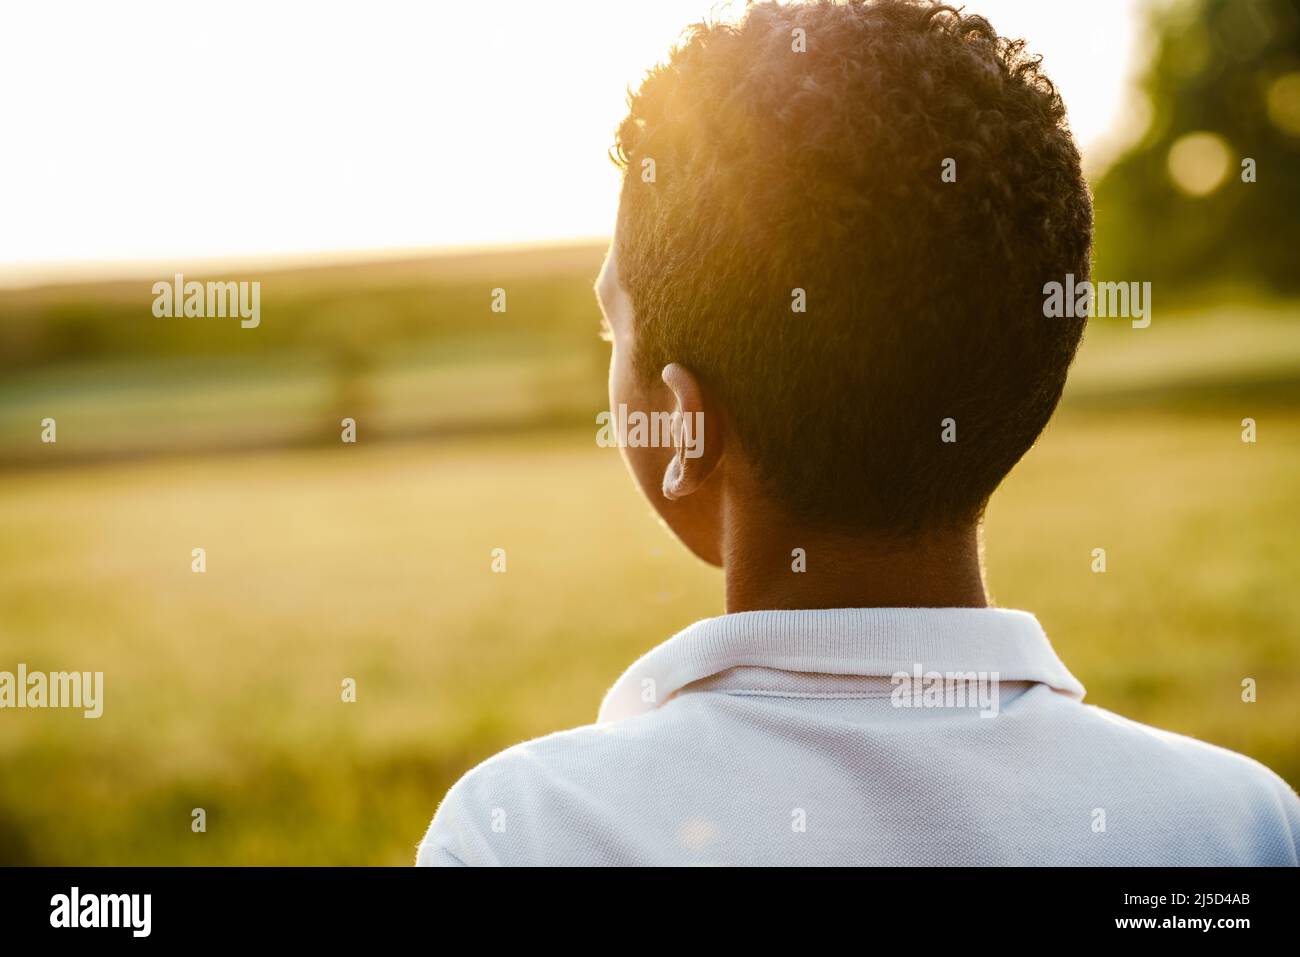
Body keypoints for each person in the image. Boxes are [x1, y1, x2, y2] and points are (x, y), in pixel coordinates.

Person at [418, 0, 1300, 866]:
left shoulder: (526, 832)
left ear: (684, 427)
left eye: (617, 330)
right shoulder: (1243, 824)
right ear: (1031, 371)